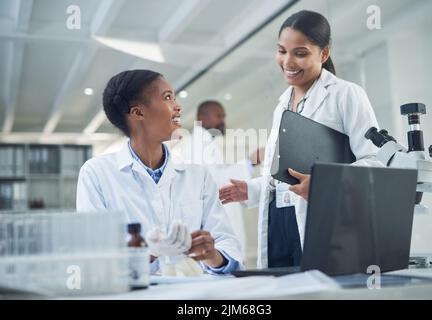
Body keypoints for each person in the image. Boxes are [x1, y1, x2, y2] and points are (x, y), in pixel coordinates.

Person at [219, 10, 381, 268]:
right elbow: (281, 177)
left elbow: (375, 162)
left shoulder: (346, 95)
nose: (287, 61)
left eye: (300, 53)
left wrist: (323, 184)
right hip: (278, 221)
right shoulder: (281, 106)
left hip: (320, 220)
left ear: (324, 53)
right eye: (282, 50)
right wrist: (251, 189)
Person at [76, 69, 243, 274]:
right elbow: (94, 257)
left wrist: (212, 255)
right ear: (138, 113)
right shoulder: (96, 174)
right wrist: (150, 252)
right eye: (167, 97)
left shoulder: (198, 176)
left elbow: (227, 244)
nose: (178, 105)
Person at [169, 100, 257, 259]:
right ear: (201, 118)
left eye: (223, 116)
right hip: (213, 225)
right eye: (218, 115)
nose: (223, 120)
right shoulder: (197, 144)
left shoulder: (205, 142)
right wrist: (249, 163)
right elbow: (213, 182)